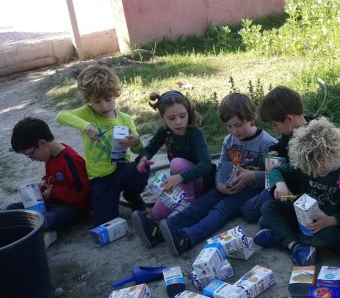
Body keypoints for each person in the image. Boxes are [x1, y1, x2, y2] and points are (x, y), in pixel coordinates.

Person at [153, 93, 277, 255]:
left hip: (252, 190)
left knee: (221, 209)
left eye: (238, 125)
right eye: (229, 126)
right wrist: (219, 184)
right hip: (228, 185)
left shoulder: (268, 143)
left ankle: (187, 238)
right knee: (203, 203)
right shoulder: (228, 140)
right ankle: (163, 229)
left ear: (251, 118)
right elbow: (222, 165)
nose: (234, 131)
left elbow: (276, 175)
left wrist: (252, 176)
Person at [254, 117, 340, 267]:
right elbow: (276, 170)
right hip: (301, 216)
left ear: (334, 155)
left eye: (321, 167)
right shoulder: (306, 165)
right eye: (311, 168)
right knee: (268, 209)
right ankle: (295, 245)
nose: (316, 171)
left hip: (325, 225)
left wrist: (330, 220)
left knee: (332, 239)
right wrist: (280, 184)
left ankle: (284, 238)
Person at [56, 65, 146, 226]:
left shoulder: (125, 119)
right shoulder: (87, 113)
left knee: (142, 167)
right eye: (97, 101)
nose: (104, 106)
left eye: (108, 99)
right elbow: (61, 116)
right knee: (105, 223)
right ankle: (109, 199)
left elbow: (139, 150)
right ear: (88, 100)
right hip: (100, 178)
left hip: (122, 169)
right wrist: (86, 126)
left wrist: (136, 141)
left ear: (115, 94)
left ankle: (132, 195)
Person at [129, 90, 213, 248]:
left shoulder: (195, 133)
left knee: (177, 163)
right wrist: (143, 158)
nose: (178, 122)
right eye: (171, 118)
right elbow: (150, 148)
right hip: (179, 182)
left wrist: (180, 177)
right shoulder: (165, 131)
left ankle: (188, 201)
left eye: (182, 116)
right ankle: (152, 227)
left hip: (200, 181)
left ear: (188, 113)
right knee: (157, 213)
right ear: (163, 118)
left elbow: (206, 164)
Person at [241, 86, 313, 224]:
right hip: (280, 183)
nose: (274, 128)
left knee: (258, 217)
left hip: (293, 192)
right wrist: (273, 153)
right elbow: (280, 145)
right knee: (248, 210)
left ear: (289, 119)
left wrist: (280, 181)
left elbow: (301, 176)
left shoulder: (309, 141)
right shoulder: (291, 130)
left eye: (275, 125)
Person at [7, 117, 90, 232]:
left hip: (73, 208)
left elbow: (82, 193)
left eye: (31, 155)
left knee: (46, 219)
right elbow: (52, 178)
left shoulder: (71, 160)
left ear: (42, 143)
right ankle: (29, 226)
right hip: (54, 203)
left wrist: (53, 193)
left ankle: (29, 229)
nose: (33, 159)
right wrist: (44, 184)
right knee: (12, 209)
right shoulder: (49, 156)